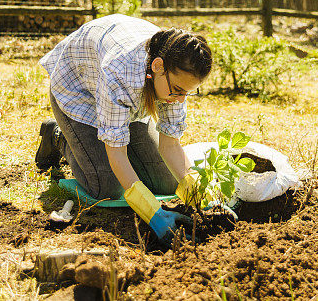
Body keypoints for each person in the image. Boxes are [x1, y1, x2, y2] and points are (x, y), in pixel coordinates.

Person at [35, 14, 213, 243]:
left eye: (187, 93)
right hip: (79, 93)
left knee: (167, 181)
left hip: (127, 100)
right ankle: (59, 136)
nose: (180, 99)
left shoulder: (173, 76)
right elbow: (117, 154)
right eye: (178, 90)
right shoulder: (120, 73)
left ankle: (92, 142)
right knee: (107, 187)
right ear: (158, 66)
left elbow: (170, 145)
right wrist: (153, 213)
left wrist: (201, 197)